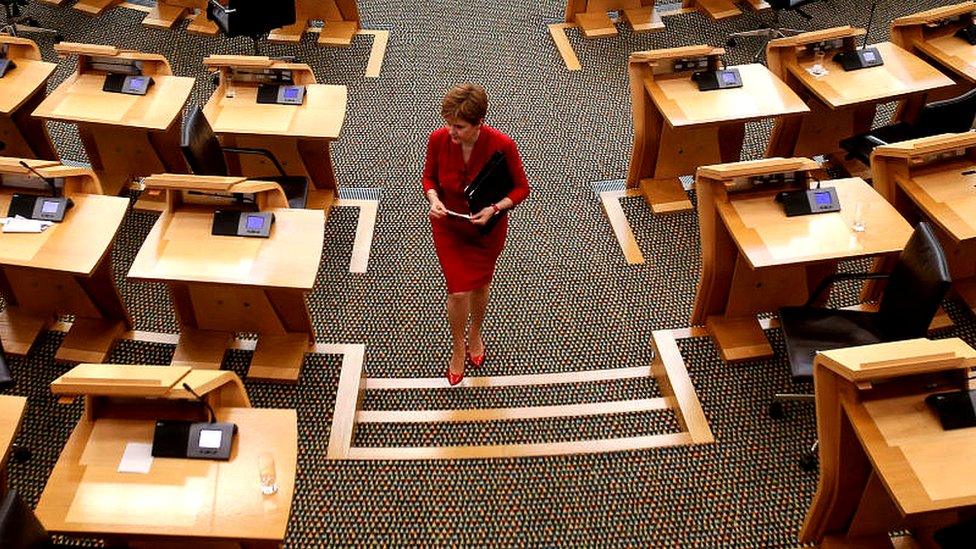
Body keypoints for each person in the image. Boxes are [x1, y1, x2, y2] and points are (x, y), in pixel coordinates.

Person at [422, 84, 530, 386]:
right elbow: (429, 177)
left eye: (459, 127)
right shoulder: (439, 139)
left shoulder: (502, 144)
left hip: (486, 228)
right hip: (450, 226)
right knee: (457, 291)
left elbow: (521, 189)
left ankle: (476, 332)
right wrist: (434, 199)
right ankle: (458, 347)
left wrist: (495, 208)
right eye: (449, 124)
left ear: (478, 124)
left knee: (481, 285)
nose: (451, 132)